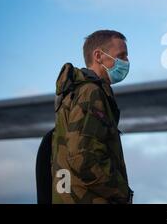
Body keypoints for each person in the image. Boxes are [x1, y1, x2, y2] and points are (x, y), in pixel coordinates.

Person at [51, 30, 133, 204]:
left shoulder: (76, 91)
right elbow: (84, 157)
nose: (126, 62)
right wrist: (121, 192)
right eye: (121, 56)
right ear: (98, 56)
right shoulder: (90, 92)